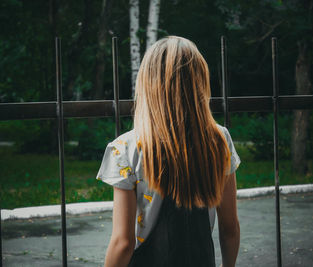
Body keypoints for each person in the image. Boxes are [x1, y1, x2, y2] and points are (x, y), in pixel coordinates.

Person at [96, 36, 241, 267]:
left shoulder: (126, 148)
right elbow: (230, 227)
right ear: (200, 83)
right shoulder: (219, 139)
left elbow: (123, 243)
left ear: (147, 84)